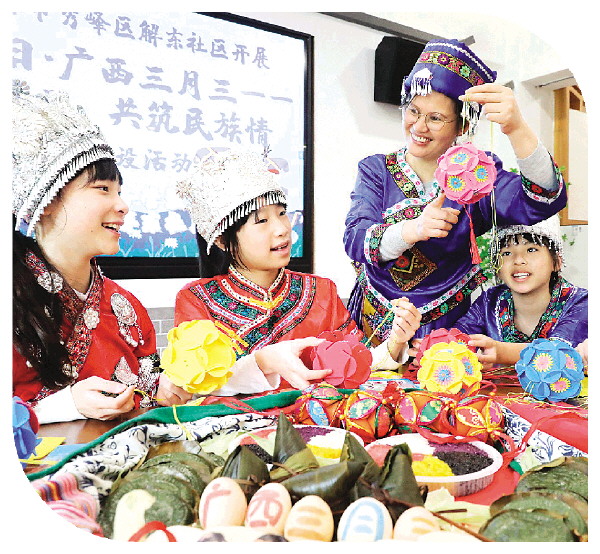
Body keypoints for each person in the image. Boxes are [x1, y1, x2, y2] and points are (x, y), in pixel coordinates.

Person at [343, 39, 567, 345]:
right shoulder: (376, 169)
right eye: (413, 111)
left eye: (435, 118)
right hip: (375, 316)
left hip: (446, 322)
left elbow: (541, 197)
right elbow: (356, 239)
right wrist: (413, 229)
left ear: (462, 127)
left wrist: (516, 128)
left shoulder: (477, 174)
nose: (419, 126)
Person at [174, 149, 422, 395]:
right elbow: (196, 385)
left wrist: (395, 342)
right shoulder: (197, 300)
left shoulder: (320, 291)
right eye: (262, 221)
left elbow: (356, 362)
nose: (282, 229)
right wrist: (262, 362)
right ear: (222, 240)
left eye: (282, 214)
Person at [12, 82, 191, 423]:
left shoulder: (127, 306)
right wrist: (63, 406)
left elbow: (149, 384)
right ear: (46, 201)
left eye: (119, 191)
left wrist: (165, 388)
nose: (122, 205)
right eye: (103, 189)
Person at [454, 216, 588, 367]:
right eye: (506, 253)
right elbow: (457, 336)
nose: (518, 260)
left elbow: (560, 353)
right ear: (497, 268)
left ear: (556, 262)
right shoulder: (490, 301)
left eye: (531, 250)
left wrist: (500, 352)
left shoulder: (582, 303)